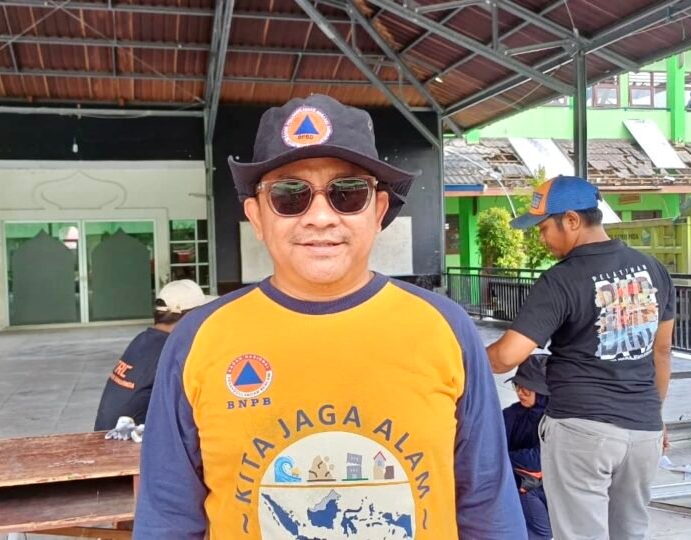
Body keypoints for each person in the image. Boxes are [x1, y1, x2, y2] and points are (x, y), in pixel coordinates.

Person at [133, 94, 524, 539]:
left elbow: (488, 506)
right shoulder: (198, 340)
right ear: (256, 217)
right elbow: (167, 518)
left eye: (348, 193)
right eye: (289, 195)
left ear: (378, 211)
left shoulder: (446, 329)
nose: (320, 217)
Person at [486, 175, 675, 540]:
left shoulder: (561, 280)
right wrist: (656, 414)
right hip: (644, 433)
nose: (541, 239)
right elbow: (662, 350)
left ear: (571, 220)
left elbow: (504, 357)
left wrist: (458, 353)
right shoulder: (653, 269)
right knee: (630, 533)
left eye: (544, 228)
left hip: (582, 432)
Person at [93, 279, 214, 434]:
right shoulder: (173, 352)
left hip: (106, 437)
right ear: (189, 318)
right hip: (132, 443)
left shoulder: (143, 340)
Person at [503, 354, 552, 540]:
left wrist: (503, 458)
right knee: (541, 533)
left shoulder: (559, 422)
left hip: (549, 491)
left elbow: (540, 458)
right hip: (520, 487)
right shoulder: (511, 414)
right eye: (517, 385)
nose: (520, 392)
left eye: (527, 388)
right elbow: (489, 445)